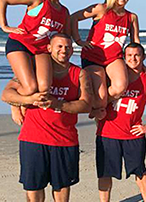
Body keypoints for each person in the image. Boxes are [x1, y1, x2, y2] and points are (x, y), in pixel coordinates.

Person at [1, 33, 92, 202]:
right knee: (34, 190)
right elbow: (6, 94)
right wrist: (27, 100)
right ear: (49, 48)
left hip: (65, 140)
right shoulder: (34, 70)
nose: (63, 50)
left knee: (62, 189)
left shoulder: (79, 73)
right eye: (59, 46)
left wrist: (58, 104)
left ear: (72, 50)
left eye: (67, 47)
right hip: (33, 139)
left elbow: (86, 104)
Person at [95, 43, 146, 202]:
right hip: (108, 133)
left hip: (133, 135)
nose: (133, 59)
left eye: (137, 55)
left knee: (140, 171)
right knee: (105, 172)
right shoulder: (114, 77)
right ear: (123, 57)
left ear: (143, 57)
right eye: (129, 55)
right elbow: (96, 98)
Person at [0, 0, 70, 124]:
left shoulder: (64, 12)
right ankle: (13, 100)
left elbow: (63, 37)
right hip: (20, 44)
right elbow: (3, 0)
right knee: (31, 88)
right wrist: (4, 26)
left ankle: (23, 98)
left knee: (44, 88)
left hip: (41, 50)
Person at [70, 0, 140, 119]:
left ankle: (96, 104)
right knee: (101, 98)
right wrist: (78, 40)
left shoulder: (131, 17)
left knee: (120, 87)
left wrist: (141, 64)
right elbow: (73, 18)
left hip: (114, 58)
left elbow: (135, 42)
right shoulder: (101, 9)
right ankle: (95, 102)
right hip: (93, 57)